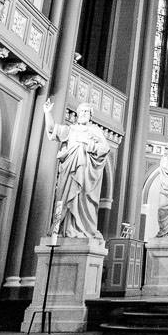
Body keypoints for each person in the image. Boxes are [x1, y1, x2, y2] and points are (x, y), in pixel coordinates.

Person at [43, 98, 111, 239]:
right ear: (78, 113)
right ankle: (56, 230)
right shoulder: (70, 130)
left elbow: (105, 148)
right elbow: (52, 129)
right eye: (82, 111)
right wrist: (47, 113)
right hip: (68, 172)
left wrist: (89, 144)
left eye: (87, 111)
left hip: (86, 176)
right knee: (62, 197)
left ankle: (83, 230)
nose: (84, 113)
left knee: (82, 201)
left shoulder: (95, 131)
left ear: (90, 116)